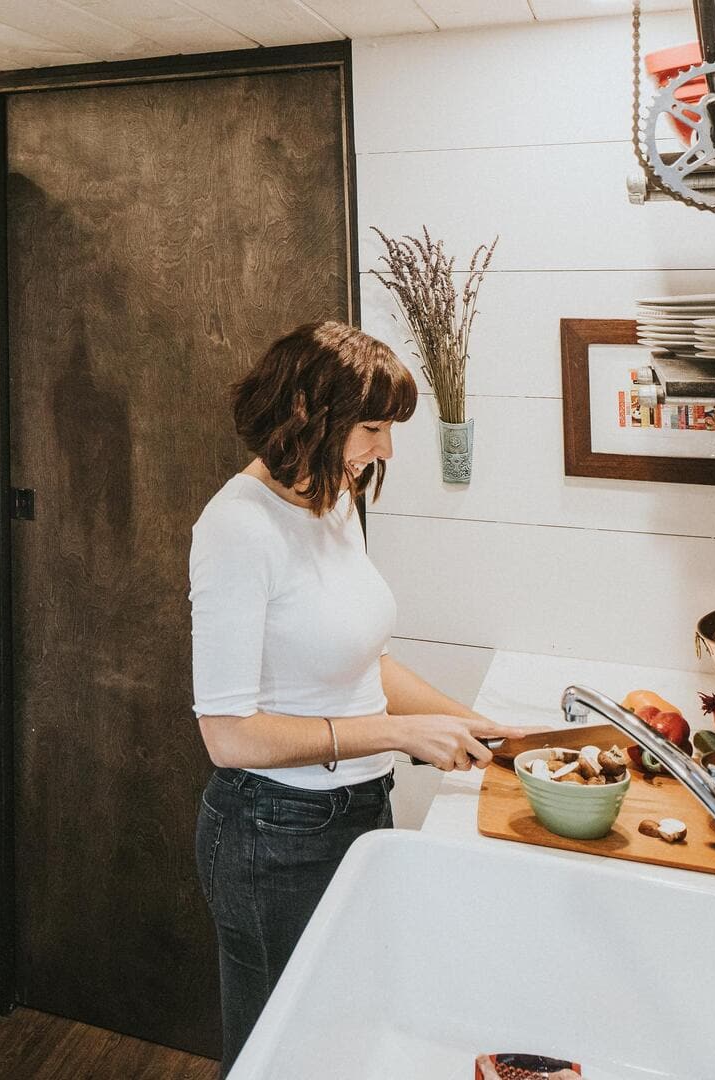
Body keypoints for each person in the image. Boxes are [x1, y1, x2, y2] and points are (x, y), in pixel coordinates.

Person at [188, 320, 525, 1070]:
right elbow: (229, 735)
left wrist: (475, 725)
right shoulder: (237, 530)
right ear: (310, 413)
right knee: (285, 1055)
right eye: (373, 428)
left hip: (359, 811)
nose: (385, 450)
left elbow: (363, 661)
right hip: (272, 833)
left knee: (344, 1041)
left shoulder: (334, 498)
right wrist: (401, 736)